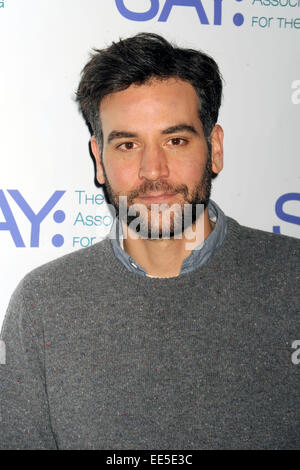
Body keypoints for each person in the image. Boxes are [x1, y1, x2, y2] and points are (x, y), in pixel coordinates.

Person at [0, 33, 299, 450]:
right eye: (127, 144)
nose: (152, 171)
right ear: (99, 160)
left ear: (214, 148)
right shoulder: (43, 303)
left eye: (175, 140)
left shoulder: (292, 279)